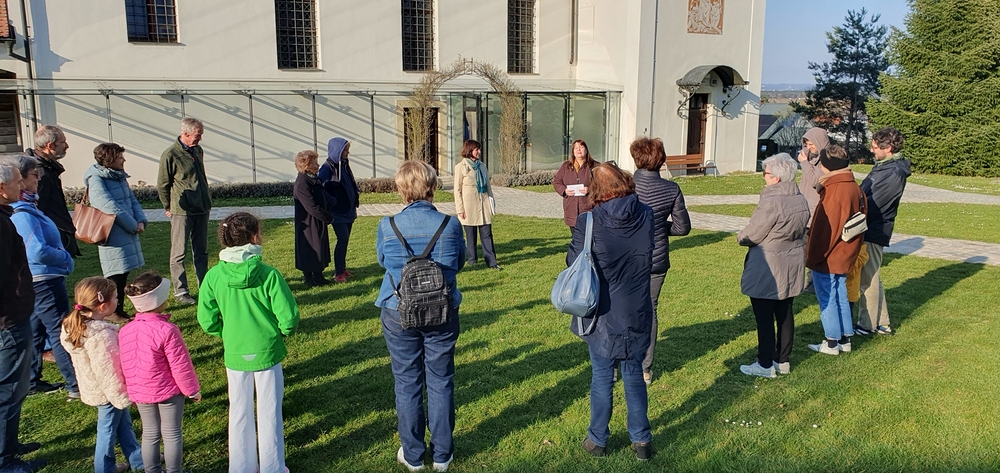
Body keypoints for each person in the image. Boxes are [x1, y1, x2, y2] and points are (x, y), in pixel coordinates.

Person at [375, 161, 465, 472]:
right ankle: (442, 454)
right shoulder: (450, 225)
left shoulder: (388, 225)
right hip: (442, 309)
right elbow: (459, 262)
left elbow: (383, 261)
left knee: (407, 381)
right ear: (432, 187)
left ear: (401, 190)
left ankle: (413, 455)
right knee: (440, 380)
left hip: (397, 308)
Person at [197, 212, 299, 473]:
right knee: (270, 411)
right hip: (267, 351)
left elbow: (206, 319)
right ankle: (273, 467)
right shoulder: (269, 274)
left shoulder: (213, 276)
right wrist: (282, 332)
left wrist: (226, 333)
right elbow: (288, 316)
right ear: (255, 237)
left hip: (235, 351)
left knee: (239, 411)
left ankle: (241, 467)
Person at [568, 162, 654, 461]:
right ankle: (641, 440)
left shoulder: (588, 221)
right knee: (633, 373)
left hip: (602, 310)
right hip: (635, 306)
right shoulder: (646, 214)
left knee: (603, 375)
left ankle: (597, 439)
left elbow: (573, 261)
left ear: (595, 190)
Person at [9, 155, 79, 400]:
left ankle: (31, 380)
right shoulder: (22, 214)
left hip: (37, 280)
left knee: (35, 330)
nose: (38, 179)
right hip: (44, 280)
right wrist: (64, 257)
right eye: (33, 175)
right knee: (60, 331)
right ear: (20, 180)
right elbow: (36, 251)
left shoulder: (27, 208)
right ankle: (75, 384)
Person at [736, 154, 810, 377]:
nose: (763, 177)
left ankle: (765, 363)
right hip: (792, 261)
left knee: (764, 316)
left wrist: (741, 236)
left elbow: (753, 233)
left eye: (765, 173)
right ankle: (782, 360)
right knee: (785, 311)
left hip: (768, 264)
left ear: (776, 178)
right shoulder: (800, 198)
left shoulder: (772, 201)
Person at [119, 272, 201, 473]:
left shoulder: (125, 330)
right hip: (168, 392)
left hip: (141, 392)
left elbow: (126, 363)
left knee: (149, 433)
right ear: (158, 300)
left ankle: (152, 470)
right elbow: (180, 365)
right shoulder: (168, 330)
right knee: (172, 433)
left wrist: (133, 390)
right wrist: (191, 390)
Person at [60, 277, 144, 473]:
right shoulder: (101, 336)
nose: (118, 300)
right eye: (115, 297)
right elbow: (108, 372)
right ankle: (104, 468)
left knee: (124, 425)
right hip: (108, 393)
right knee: (107, 432)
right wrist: (122, 397)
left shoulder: (75, 326)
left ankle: (138, 460)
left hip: (97, 389)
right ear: (103, 306)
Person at [0, 156, 47, 473]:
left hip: (14, 317)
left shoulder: (5, 216)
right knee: (8, 390)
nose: (22, 184)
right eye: (17, 180)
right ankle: (4, 461)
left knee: (15, 389)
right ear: (1, 187)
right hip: (8, 321)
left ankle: (10, 444)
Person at [631, 137, 691, 385]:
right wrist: (658, 227)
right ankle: (645, 368)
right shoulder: (671, 189)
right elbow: (682, 227)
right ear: (661, 160)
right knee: (649, 310)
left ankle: (614, 365)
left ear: (636, 158)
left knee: (619, 308)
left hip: (626, 259)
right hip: (656, 258)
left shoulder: (625, 185)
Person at [805, 146, 866, 356]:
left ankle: (831, 341)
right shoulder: (852, 185)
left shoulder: (836, 189)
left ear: (826, 165)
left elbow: (826, 229)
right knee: (840, 293)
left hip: (830, 254)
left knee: (828, 296)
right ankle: (844, 338)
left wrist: (814, 256)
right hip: (846, 250)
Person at [856, 127, 911, 336]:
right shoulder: (885, 167)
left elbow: (876, 203)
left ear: (888, 148)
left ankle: (866, 324)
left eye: (875, 147)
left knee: (867, 279)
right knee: (872, 276)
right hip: (872, 226)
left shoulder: (893, 172)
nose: (871, 150)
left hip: (874, 227)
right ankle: (882, 323)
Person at [85, 143, 147, 321]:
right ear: (109, 159)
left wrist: (140, 220)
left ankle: (118, 309)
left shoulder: (118, 176)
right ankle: (111, 311)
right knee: (115, 274)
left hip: (125, 230)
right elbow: (108, 206)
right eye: (120, 157)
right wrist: (132, 224)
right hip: (112, 234)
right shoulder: (96, 179)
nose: (124, 160)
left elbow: (132, 200)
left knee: (123, 272)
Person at [158, 118, 211, 306]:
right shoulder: (170, 154)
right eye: (198, 135)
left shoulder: (198, 150)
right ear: (186, 133)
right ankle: (181, 291)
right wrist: (168, 207)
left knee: (201, 250)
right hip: (182, 210)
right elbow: (163, 184)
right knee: (179, 252)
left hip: (202, 208)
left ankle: (205, 286)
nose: (200, 138)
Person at [28, 125, 80, 258]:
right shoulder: (41, 173)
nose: (67, 146)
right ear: (50, 146)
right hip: (53, 236)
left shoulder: (46, 167)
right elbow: (37, 209)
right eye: (63, 142)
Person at [318, 138, 360, 283]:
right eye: (345, 150)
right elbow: (320, 188)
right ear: (337, 150)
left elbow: (349, 182)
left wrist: (355, 191)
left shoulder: (345, 165)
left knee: (345, 240)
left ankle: (342, 268)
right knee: (342, 239)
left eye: (348, 149)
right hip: (337, 212)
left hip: (349, 210)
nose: (348, 152)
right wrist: (332, 200)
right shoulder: (327, 168)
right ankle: (338, 273)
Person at [454, 139, 500, 270]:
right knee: (470, 235)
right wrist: (460, 209)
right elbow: (457, 190)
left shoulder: (482, 166)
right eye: (476, 149)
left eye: (479, 149)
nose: (479, 152)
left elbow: (488, 187)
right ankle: (472, 260)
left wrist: (491, 204)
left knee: (487, 234)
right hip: (468, 206)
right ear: (470, 151)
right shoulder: (460, 167)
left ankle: (491, 262)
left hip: (483, 204)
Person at [294, 150, 334, 286]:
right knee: (309, 248)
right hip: (308, 222)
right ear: (306, 166)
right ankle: (309, 277)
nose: (318, 165)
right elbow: (311, 206)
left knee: (318, 247)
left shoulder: (313, 179)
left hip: (316, 221)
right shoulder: (302, 183)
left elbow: (321, 194)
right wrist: (327, 217)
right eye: (314, 162)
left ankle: (318, 275)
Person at [553, 139, 597, 238]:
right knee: (576, 239)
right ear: (573, 152)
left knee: (590, 238)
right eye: (576, 148)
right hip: (571, 209)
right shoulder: (566, 166)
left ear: (586, 150)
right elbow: (556, 181)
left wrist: (589, 190)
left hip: (589, 208)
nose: (579, 150)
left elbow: (603, 185)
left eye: (581, 147)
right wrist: (564, 190)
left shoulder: (595, 166)